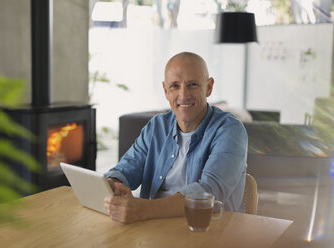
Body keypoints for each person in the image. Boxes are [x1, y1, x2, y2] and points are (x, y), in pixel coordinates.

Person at [104, 52, 248, 224]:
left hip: (208, 231)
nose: (183, 95)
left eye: (193, 84)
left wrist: (140, 209)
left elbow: (207, 193)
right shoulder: (156, 127)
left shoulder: (230, 130)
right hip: (154, 228)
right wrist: (113, 184)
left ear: (208, 87)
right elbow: (126, 169)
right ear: (165, 90)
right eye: (174, 86)